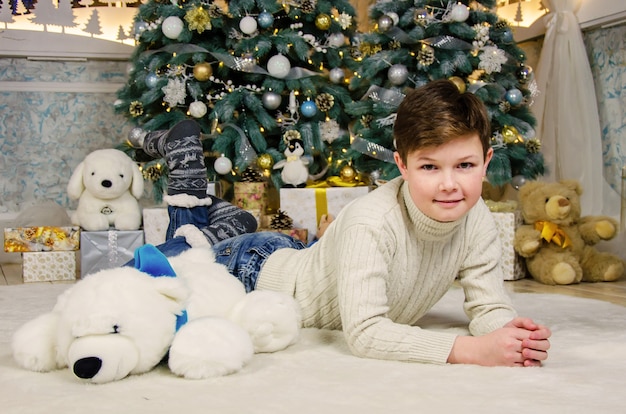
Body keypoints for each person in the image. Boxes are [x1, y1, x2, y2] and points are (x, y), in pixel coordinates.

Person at [139, 79, 551, 367]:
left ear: (486, 164)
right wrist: (470, 351)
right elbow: (366, 332)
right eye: (429, 166)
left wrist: (512, 337)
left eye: (465, 165)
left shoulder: (476, 217)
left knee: (224, 237)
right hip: (252, 274)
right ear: (402, 166)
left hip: (301, 259)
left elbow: (488, 304)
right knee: (165, 268)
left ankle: (226, 216)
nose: (449, 185)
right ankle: (186, 163)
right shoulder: (372, 222)